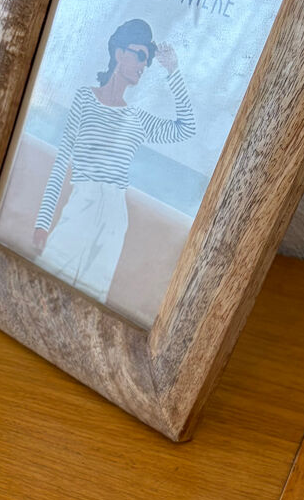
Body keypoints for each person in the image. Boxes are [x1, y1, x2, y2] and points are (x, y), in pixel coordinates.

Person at [32, 18, 195, 302]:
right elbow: (61, 163)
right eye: (140, 55)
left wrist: (173, 71)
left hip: (115, 214)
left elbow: (186, 128)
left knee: (92, 295)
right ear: (119, 53)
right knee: (46, 281)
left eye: (148, 59)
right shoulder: (84, 99)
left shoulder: (137, 119)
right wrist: (43, 223)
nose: (143, 65)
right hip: (82, 201)